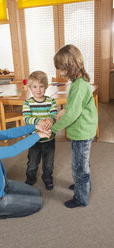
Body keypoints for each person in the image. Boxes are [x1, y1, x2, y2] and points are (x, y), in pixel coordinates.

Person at [51, 44, 98, 208]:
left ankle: (81, 198)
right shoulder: (80, 81)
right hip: (84, 129)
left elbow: (72, 114)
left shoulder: (78, 86)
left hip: (82, 133)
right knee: (83, 162)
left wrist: (53, 129)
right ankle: (82, 185)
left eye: (62, 69)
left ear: (72, 66)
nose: (61, 73)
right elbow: (75, 108)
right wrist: (65, 111)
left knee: (79, 168)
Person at [22, 71, 58, 190]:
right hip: (34, 140)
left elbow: (54, 115)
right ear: (30, 88)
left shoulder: (51, 101)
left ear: (46, 87)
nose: (38, 90)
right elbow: (27, 119)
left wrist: (51, 120)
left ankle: (47, 177)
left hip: (49, 139)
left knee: (48, 163)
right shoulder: (28, 103)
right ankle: (30, 178)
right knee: (32, 163)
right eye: (35, 87)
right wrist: (39, 121)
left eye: (41, 86)